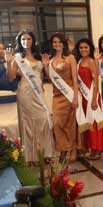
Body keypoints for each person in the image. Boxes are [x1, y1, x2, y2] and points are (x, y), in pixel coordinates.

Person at [5, 29, 55, 163]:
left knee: (44, 120)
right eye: (23, 39)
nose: (26, 42)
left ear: (33, 40)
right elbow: (10, 78)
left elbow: (47, 77)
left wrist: (46, 65)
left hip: (38, 93)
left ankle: (46, 154)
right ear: (19, 42)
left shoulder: (38, 57)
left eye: (28, 39)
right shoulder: (17, 58)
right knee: (28, 124)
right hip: (25, 93)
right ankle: (30, 157)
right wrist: (9, 62)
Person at [42, 33, 81, 162]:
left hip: (69, 95)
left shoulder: (70, 58)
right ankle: (63, 148)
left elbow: (75, 79)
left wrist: (75, 97)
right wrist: (46, 66)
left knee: (70, 124)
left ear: (63, 43)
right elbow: (50, 79)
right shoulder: (51, 60)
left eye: (59, 42)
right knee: (58, 124)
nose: (57, 44)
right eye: (54, 42)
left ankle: (73, 149)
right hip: (57, 97)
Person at [74, 38, 103, 160]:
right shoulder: (78, 62)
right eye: (81, 47)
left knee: (95, 122)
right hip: (84, 97)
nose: (83, 49)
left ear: (90, 49)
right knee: (89, 123)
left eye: (86, 47)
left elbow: (96, 81)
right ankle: (92, 148)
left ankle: (98, 149)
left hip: (92, 96)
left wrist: (94, 98)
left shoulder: (91, 61)